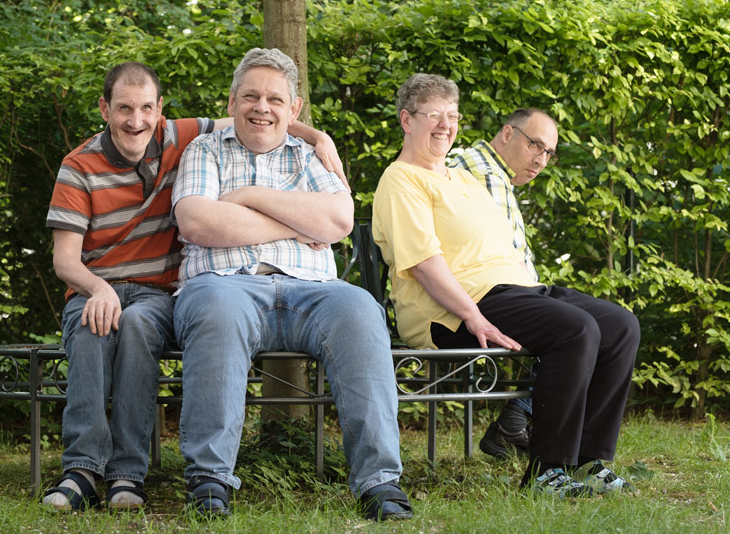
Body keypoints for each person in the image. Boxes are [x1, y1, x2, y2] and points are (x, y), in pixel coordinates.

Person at [43, 61, 344, 510]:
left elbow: (255, 117)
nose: (136, 120)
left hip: (153, 294)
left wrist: (317, 136)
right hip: (94, 287)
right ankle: (81, 470)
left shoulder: (177, 136)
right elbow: (64, 260)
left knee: (141, 327)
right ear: (104, 109)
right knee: (92, 330)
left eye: (146, 108)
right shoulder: (78, 166)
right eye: (124, 108)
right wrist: (99, 290)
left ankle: (127, 475)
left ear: (160, 109)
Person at [171, 48, 411, 520]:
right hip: (225, 283)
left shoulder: (311, 155)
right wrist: (299, 224)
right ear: (232, 101)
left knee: (361, 309)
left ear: (293, 109)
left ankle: (379, 483)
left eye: (275, 99)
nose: (263, 107)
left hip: (312, 291)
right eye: (252, 96)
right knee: (218, 309)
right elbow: (198, 221)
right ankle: (210, 480)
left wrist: (247, 199)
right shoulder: (204, 150)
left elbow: (339, 218)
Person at [372, 73, 640, 498]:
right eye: (434, 115)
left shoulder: (461, 179)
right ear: (407, 120)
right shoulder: (402, 179)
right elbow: (423, 263)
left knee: (621, 325)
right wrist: (472, 315)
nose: (446, 124)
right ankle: (547, 471)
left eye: (453, 115)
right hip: (455, 306)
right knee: (575, 329)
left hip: (514, 290)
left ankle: (587, 458)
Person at [449, 108, 558, 458]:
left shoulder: (490, 170)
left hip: (484, 292)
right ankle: (522, 422)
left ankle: (516, 421)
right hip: (475, 300)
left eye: (548, 154)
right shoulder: (484, 172)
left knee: (578, 321)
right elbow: (507, 265)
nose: (541, 161)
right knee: (575, 326)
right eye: (536, 146)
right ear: (508, 134)